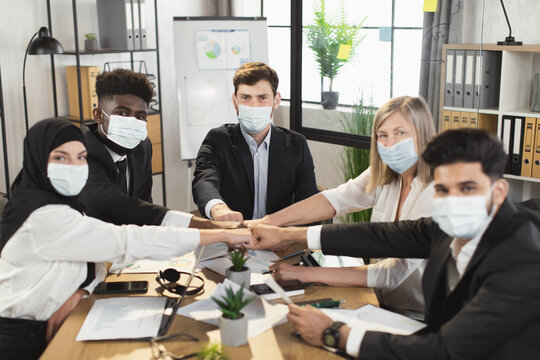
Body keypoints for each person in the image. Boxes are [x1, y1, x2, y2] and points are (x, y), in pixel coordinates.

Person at [248, 128, 540, 359]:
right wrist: (288, 234)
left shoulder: (521, 261)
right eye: (443, 189)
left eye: (467, 188)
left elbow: (447, 351)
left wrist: (336, 333)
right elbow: (380, 236)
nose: (453, 201)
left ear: (499, 191)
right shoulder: (449, 226)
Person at [0, 118, 251, 360]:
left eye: (81, 157)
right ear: (37, 161)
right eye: (60, 158)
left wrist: (80, 291)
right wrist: (223, 233)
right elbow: (127, 242)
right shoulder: (43, 217)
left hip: (45, 322)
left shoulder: (59, 204)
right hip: (19, 336)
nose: (74, 167)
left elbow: (99, 260)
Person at [250, 96, 436, 319]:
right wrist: (268, 222)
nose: (390, 144)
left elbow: (391, 274)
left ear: (422, 134)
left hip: (420, 316)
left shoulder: (435, 192)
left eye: (400, 133)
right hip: (380, 300)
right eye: (383, 135)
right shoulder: (388, 175)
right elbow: (337, 199)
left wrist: (305, 273)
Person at [78, 69, 216, 229]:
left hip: (134, 245)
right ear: (99, 115)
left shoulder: (142, 147)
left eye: (140, 116)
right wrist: (207, 226)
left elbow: (144, 203)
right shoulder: (80, 152)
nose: (132, 122)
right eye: (122, 113)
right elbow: (117, 205)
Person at [192, 62, 318, 222]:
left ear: (276, 100)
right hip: (233, 236)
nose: (254, 106)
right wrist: (218, 209)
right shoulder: (218, 139)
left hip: (279, 237)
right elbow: (204, 181)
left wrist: (291, 236)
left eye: (262, 98)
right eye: (245, 98)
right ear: (234, 100)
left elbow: (308, 200)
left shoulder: (296, 144)